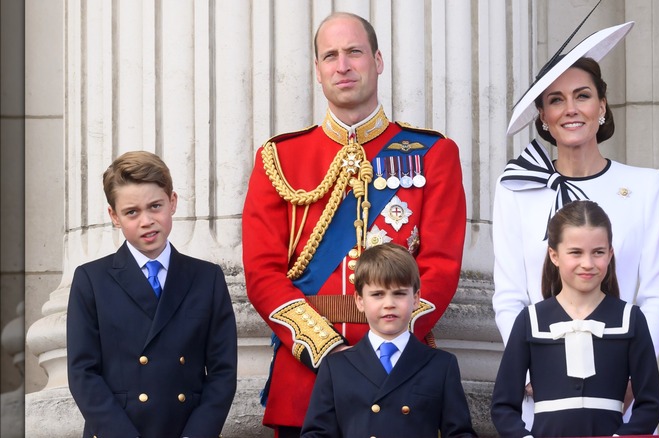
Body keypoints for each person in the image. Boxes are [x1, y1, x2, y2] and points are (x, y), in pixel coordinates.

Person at [242, 12, 467, 436]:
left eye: (354, 52)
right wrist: (326, 349)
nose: (342, 65)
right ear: (318, 71)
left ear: (377, 61)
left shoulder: (433, 153)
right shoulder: (279, 159)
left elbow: (440, 266)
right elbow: (262, 274)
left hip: (400, 374)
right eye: (330, 56)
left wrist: (387, 345)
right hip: (306, 379)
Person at [492, 21, 659, 426]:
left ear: (602, 105)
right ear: (543, 115)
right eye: (556, 100)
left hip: (620, 393)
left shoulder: (644, 185)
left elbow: (655, 294)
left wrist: (632, 374)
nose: (570, 109)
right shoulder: (515, 187)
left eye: (583, 96)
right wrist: (533, 365)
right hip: (542, 396)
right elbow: (507, 297)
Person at [67, 151, 238, 437]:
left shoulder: (207, 278)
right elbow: (82, 373)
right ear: (114, 216)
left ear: (172, 203)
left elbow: (222, 372)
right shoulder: (91, 280)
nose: (146, 220)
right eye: (132, 212)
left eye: (155, 206)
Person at [491, 200, 659, 436]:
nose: (588, 264)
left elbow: (650, 405)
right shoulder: (530, 320)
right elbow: (503, 406)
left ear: (610, 253)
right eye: (575, 253)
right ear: (554, 255)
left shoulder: (630, 319)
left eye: (598, 253)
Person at [300, 243, 477, 437]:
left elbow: (460, 434)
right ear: (360, 301)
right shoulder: (335, 367)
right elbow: (317, 434)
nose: (389, 304)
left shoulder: (441, 365)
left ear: (416, 298)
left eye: (399, 294)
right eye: (377, 295)